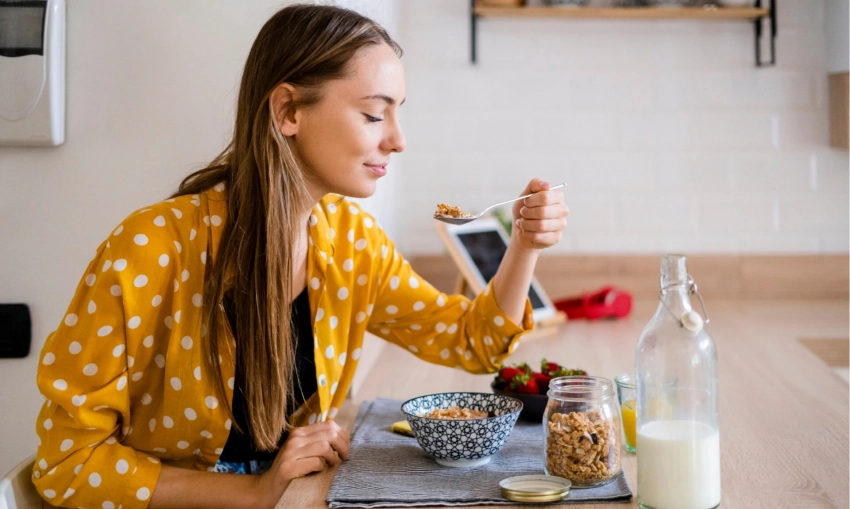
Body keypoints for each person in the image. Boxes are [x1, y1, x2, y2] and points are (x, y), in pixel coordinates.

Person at [32, 4, 569, 509]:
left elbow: (471, 341)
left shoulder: (352, 242)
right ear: (288, 111)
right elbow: (68, 464)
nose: (398, 140)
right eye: (373, 115)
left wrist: (524, 246)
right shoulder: (149, 248)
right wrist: (253, 493)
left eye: (397, 114)